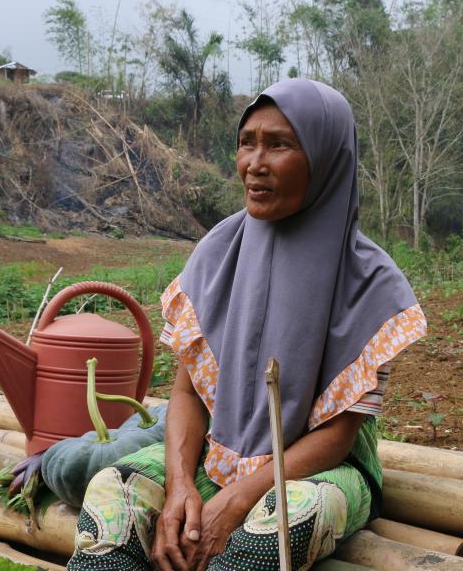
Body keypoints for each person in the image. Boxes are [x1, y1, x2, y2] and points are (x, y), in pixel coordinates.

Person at [66, 78, 426, 571]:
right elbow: (188, 394)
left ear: (326, 159)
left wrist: (236, 503)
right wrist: (180, 488)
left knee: (281, 524)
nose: (254, 163)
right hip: (216, 458)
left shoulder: (370, 282)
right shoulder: (218, 252)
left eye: (279, 144)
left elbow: (338, 437)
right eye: (246, 143)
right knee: (114, 497)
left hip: (315, 473)